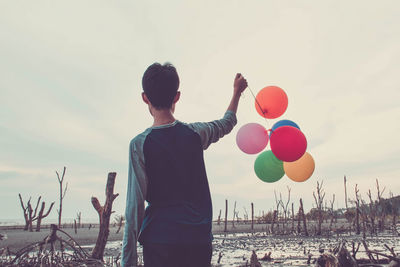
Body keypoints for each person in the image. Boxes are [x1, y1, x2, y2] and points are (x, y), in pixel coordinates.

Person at [121, 62, 247, 267]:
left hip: (159, 242)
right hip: (197, 241)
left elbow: (134, 208)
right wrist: (236, 92)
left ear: (145, 97)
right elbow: (227, 122)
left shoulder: (139, 144)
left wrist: (128, 262)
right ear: (176, 96)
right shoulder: (196, 134)